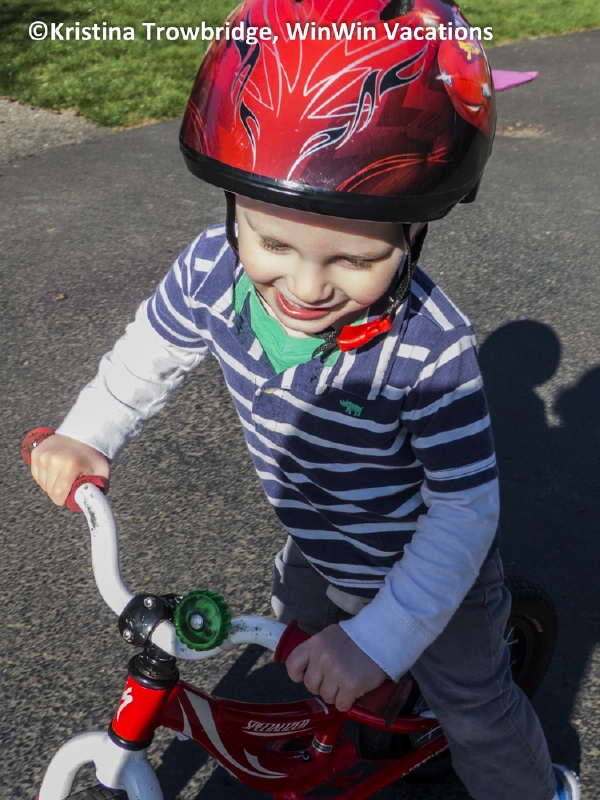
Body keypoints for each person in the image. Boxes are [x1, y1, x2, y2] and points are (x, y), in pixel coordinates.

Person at [29, 1, 579, 798]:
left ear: (415, 233)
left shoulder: (430, 348)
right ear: (234, 209)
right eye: (273, 243)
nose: (307, 287)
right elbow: (149, 352)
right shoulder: (210, 271)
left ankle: (542, 789)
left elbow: (465, 511)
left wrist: (383, 637)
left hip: (430, 571)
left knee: (478, 714)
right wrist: (88, 433)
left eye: (354, 260)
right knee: (294, 636)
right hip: (319, 545)